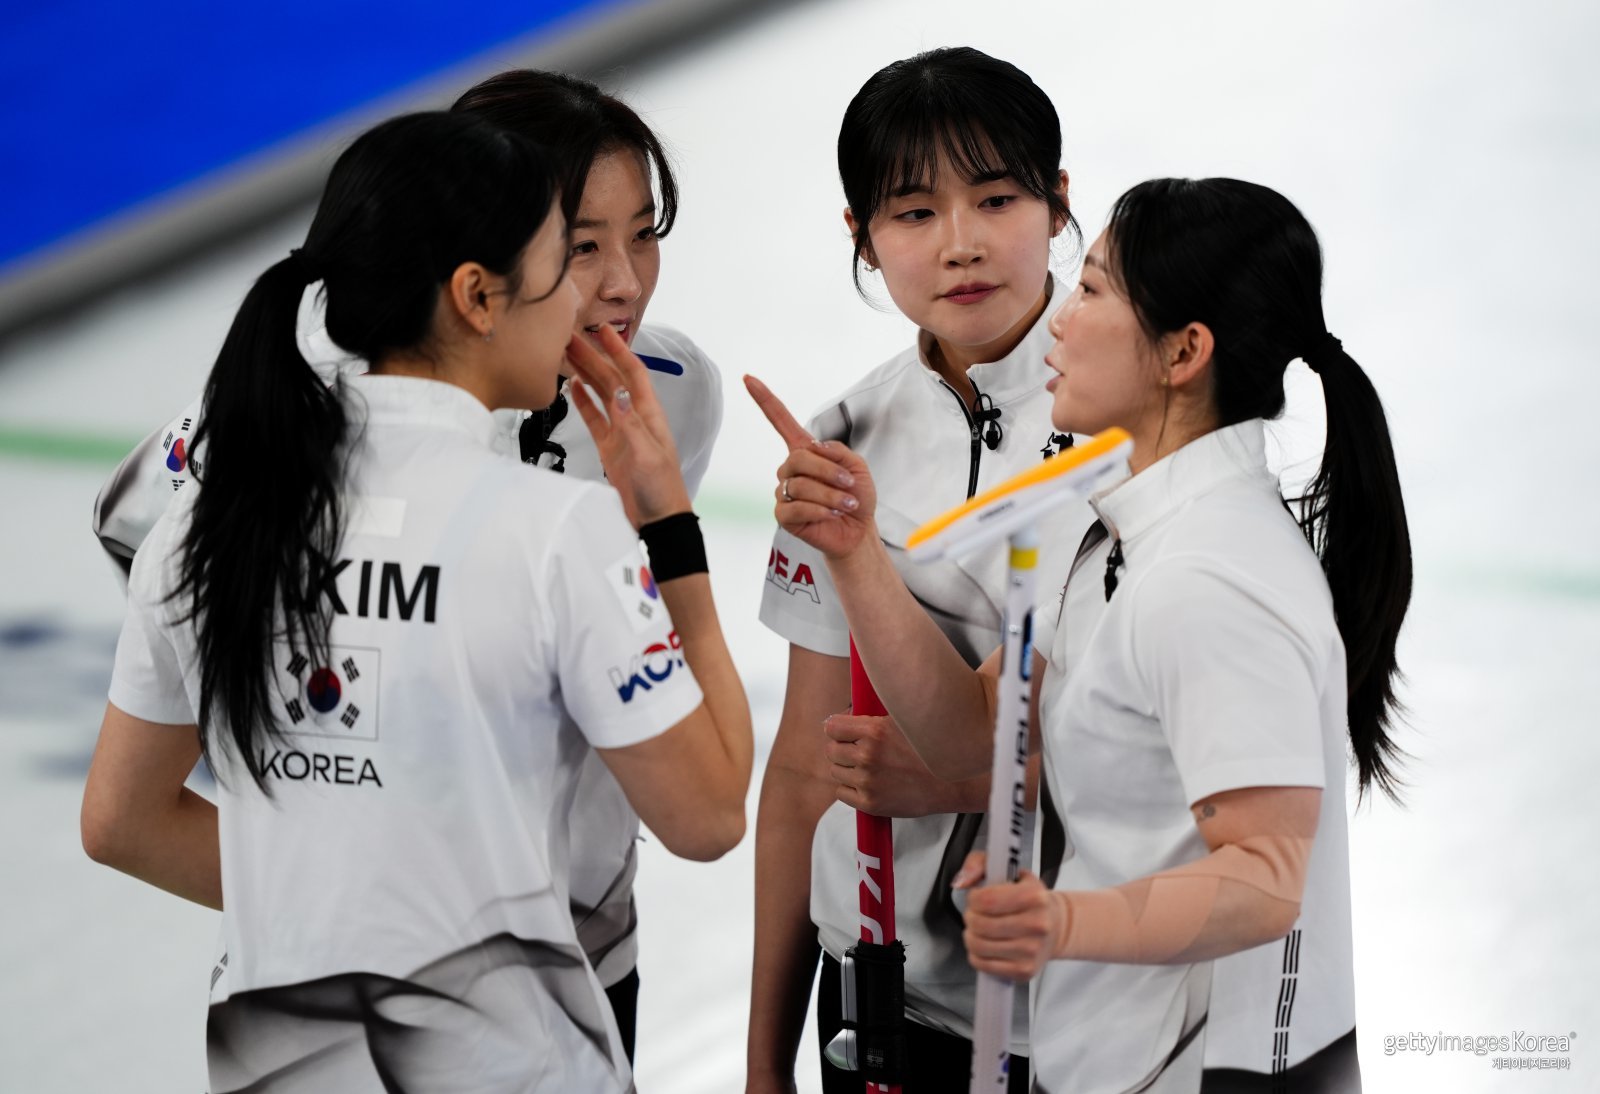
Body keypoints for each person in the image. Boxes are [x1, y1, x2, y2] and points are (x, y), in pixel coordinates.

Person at [80, 110, 752, 1094]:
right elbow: (709, 812)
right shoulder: (559, 530)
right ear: (477, 295)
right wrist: (669, 532)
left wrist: (340, 906)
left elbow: (120, 821)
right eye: (563, 263)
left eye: (640, 235)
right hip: (518, 1053)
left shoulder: (202, 523)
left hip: (274, 1054)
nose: (598, 294)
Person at [749, 176, 1411, 1092]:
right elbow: (973, 733)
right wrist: (855, 551)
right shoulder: (1120, 534)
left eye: (1093, 289)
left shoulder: (1209, 579)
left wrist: (1058, 922)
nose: (1061, 318)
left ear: (1184, 352)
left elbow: (1264, 878)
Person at [748, 47, 1081, 1094]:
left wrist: (954, 778)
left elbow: (1177, 743)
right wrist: (762, 1065)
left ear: (1059, 202)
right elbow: (805, 768)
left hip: (1090, 1005)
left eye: (996, 199)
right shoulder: (840, 442)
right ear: (861, 235)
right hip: (880, 1003)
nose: (960, 243)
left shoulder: (1139, 413)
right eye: (914, 213)